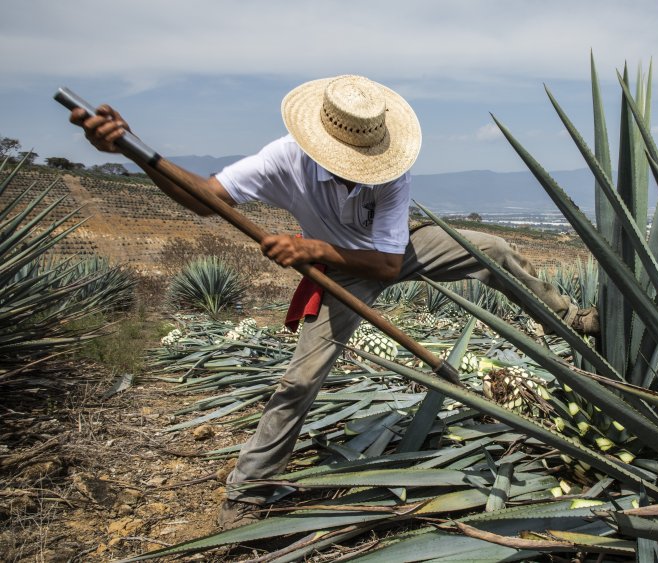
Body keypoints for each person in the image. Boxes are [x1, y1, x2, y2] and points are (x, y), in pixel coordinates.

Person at [71, 74, 598, 529]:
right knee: (301, 378)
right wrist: (136, 152)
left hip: (391, 255)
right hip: (344, 277)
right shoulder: (283, 159)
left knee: (494, 249)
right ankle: (249, 487)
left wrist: (316, 245)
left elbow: (390, 265)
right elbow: (206, 200)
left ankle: (574, 320)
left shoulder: (391, 169)